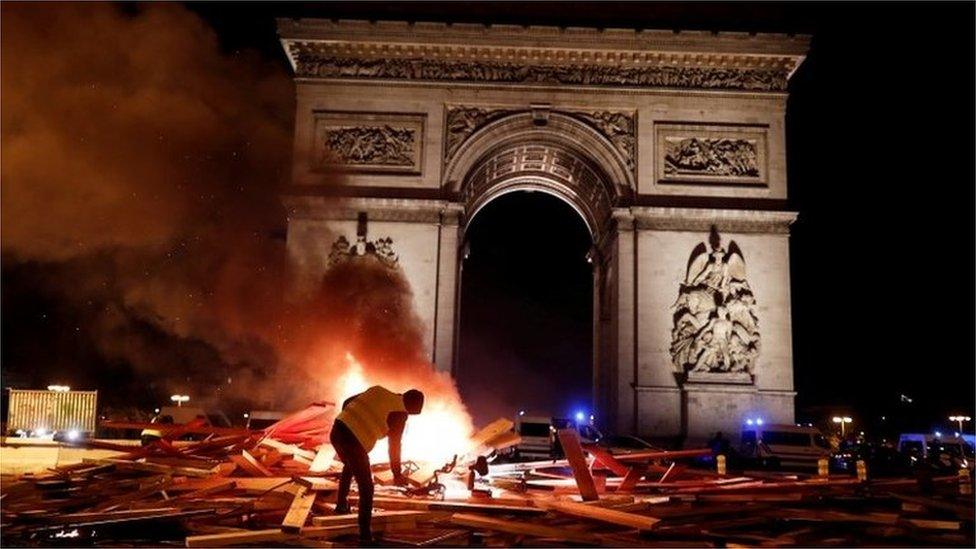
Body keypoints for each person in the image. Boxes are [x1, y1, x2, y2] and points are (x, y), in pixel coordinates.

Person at [331, 385, 425, 543]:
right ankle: (365, 538)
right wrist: (397, 474)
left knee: (349, 466)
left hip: (336, 432)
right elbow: (394, 446)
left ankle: (341, 506)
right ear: (411, 407)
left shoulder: (379, 391)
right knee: (367, 488)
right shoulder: (400, 414)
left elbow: (348, 401)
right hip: (354, 443)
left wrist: (347, 421)